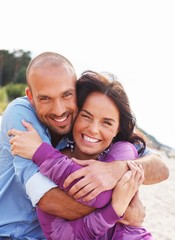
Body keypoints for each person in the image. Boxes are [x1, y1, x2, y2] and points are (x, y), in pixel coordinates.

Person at [0, 52, 169, 239]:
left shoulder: (83, 126)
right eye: (45, 98)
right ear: (31, 96)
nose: (59, 109)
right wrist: (118, 207)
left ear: (76, 92)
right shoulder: (21, 116)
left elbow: (160, 168)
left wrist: (117, 169)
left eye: (66, 95)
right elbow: (48, 199)